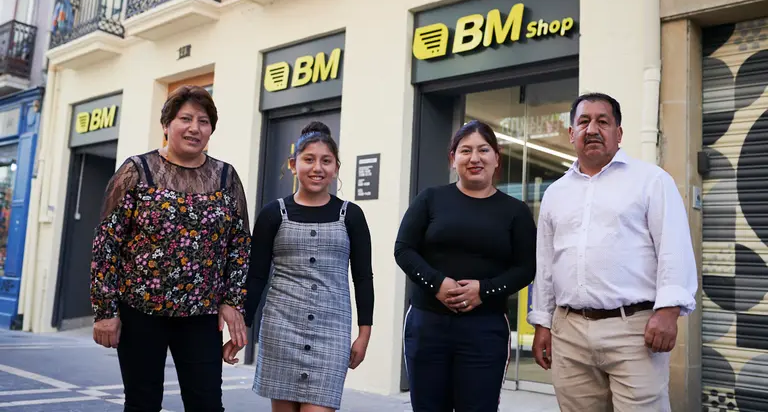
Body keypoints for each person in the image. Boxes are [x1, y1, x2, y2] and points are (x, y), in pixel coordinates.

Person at [528, 92, 698, 412]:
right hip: (569, 332)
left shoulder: (651, 181)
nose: (592, 128)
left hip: (634, 332)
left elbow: (674, 248)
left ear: (618, 134)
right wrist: (542, 323)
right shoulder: (556, 193)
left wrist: (668, 311)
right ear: (571, 133)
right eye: (583, 121)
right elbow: (547, 264)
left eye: (602, 121)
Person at [90, 85, 251, 412]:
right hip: (141, 312)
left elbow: (240, 244)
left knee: (206, 403)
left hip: (201, 314)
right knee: (142, 402)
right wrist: (105, 311)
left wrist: (233, 301)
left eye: (204, 121)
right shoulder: (137, 171)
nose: (195, 128)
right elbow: (107, 241)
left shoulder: (226, 177)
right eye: (185, 118)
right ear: (166, 125)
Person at [225, 122, 374, 412]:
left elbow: (363, 278)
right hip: (281, 329)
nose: (317, 168)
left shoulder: (351, 215)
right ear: (294, 165)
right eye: (309, 159)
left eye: (326, 161)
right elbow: (256, 276)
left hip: (332, 333)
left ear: (335, 168)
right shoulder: (273, 214)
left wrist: (364, 334)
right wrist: (243, 326)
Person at [394, 120, 537, 412]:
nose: (475, 158)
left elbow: (526, 268)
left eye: (483, 150)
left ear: (497, 158)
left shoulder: (515, 212)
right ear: (453, 158)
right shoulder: (430, 199)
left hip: (485, 329)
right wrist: (437, 283)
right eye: (465, 151)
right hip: (427, 323)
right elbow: (404, 250)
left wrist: (484, 290)